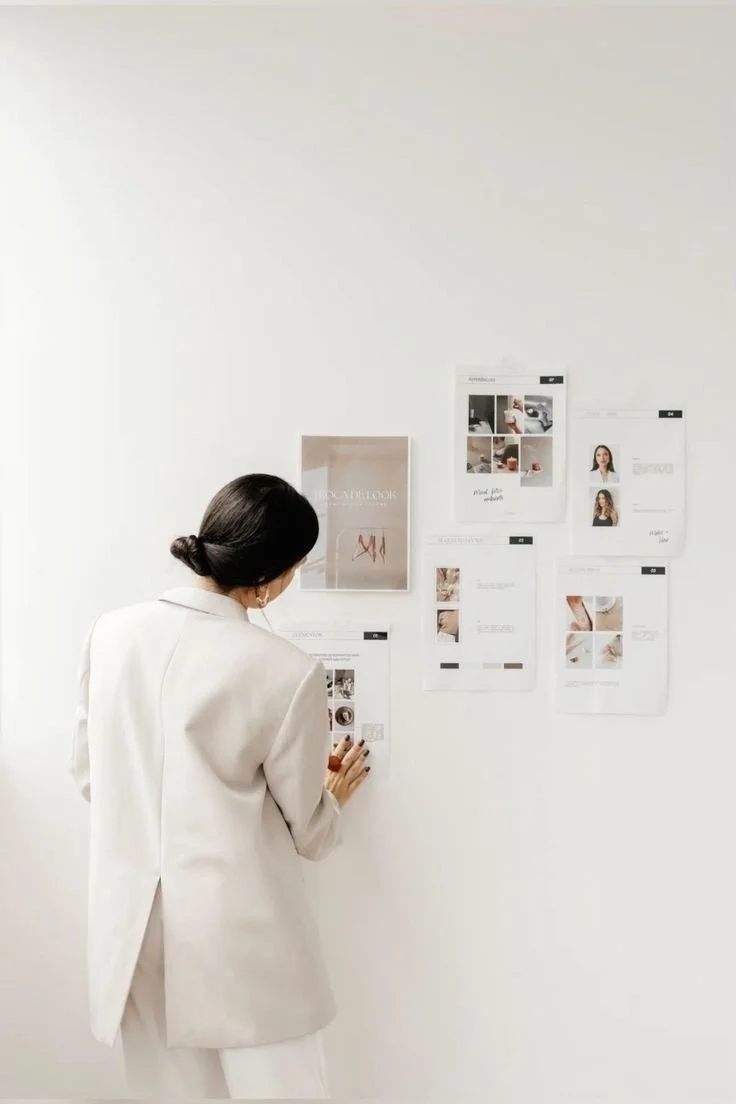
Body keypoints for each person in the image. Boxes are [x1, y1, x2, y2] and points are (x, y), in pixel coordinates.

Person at [70, 474, 371, 1100]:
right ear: (276, 574)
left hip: (133, 936)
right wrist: (334, 797)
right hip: (241, 942)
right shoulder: (286, 670)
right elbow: (310, 833)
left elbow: (92, 776)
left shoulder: (111, 634)